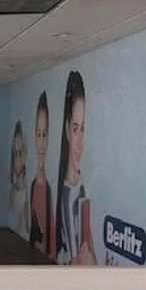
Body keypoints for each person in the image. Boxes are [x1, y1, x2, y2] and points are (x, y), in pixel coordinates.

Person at [55, 71, 97, 265]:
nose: (80, 142)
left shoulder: (81, 183)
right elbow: (74, 264)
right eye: (74, 128)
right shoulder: (66, 196)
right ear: (66, 130)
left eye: (83, 128)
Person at [29, 91, 55, 259]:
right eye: (38, 135)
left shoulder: (49, 191)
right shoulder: (33, 187)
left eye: (44, 135)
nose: (41, 143)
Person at [7, 120, 30, 238]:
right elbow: (9, 203)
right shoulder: (12, 174)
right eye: (15, 154)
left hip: (20, 229)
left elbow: (26, 204)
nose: (18, 158)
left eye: (20, 153)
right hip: (14, 226)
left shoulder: (24, 177)